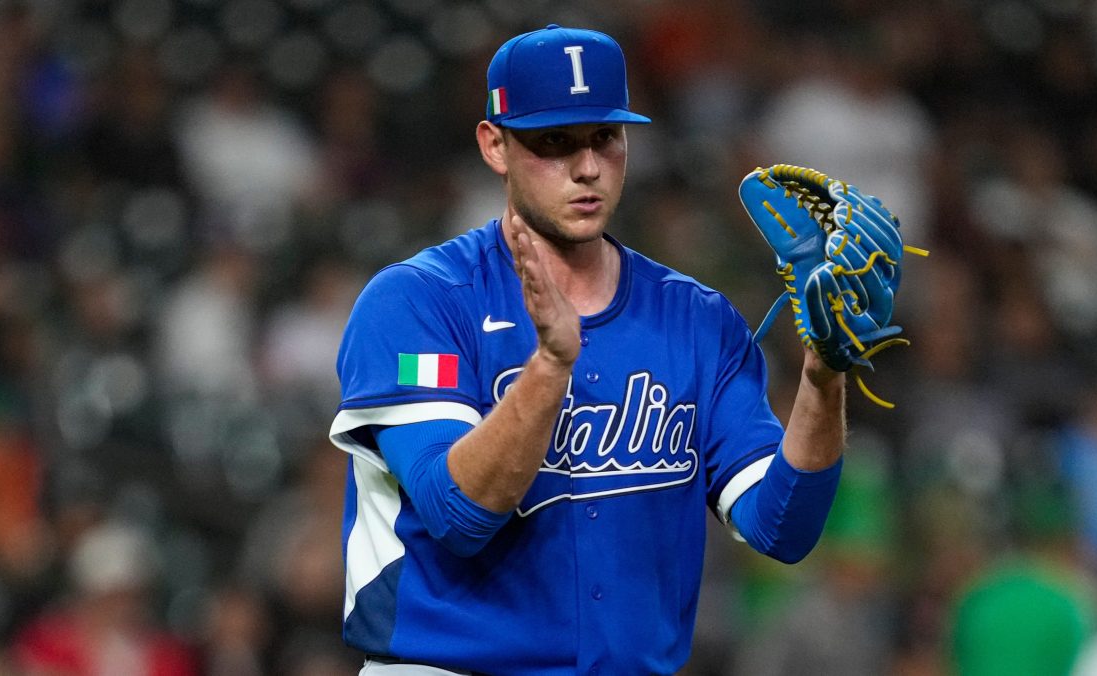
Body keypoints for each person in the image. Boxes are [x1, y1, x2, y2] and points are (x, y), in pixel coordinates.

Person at [330, 25, 847, 675]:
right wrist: (549, 365)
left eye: (605, 137)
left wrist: (824, 380)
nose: (587, 166)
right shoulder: (417, 304)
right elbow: (457, 512)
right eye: (554, 142)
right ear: (495, 145)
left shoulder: (695, 318)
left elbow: (783, 529)